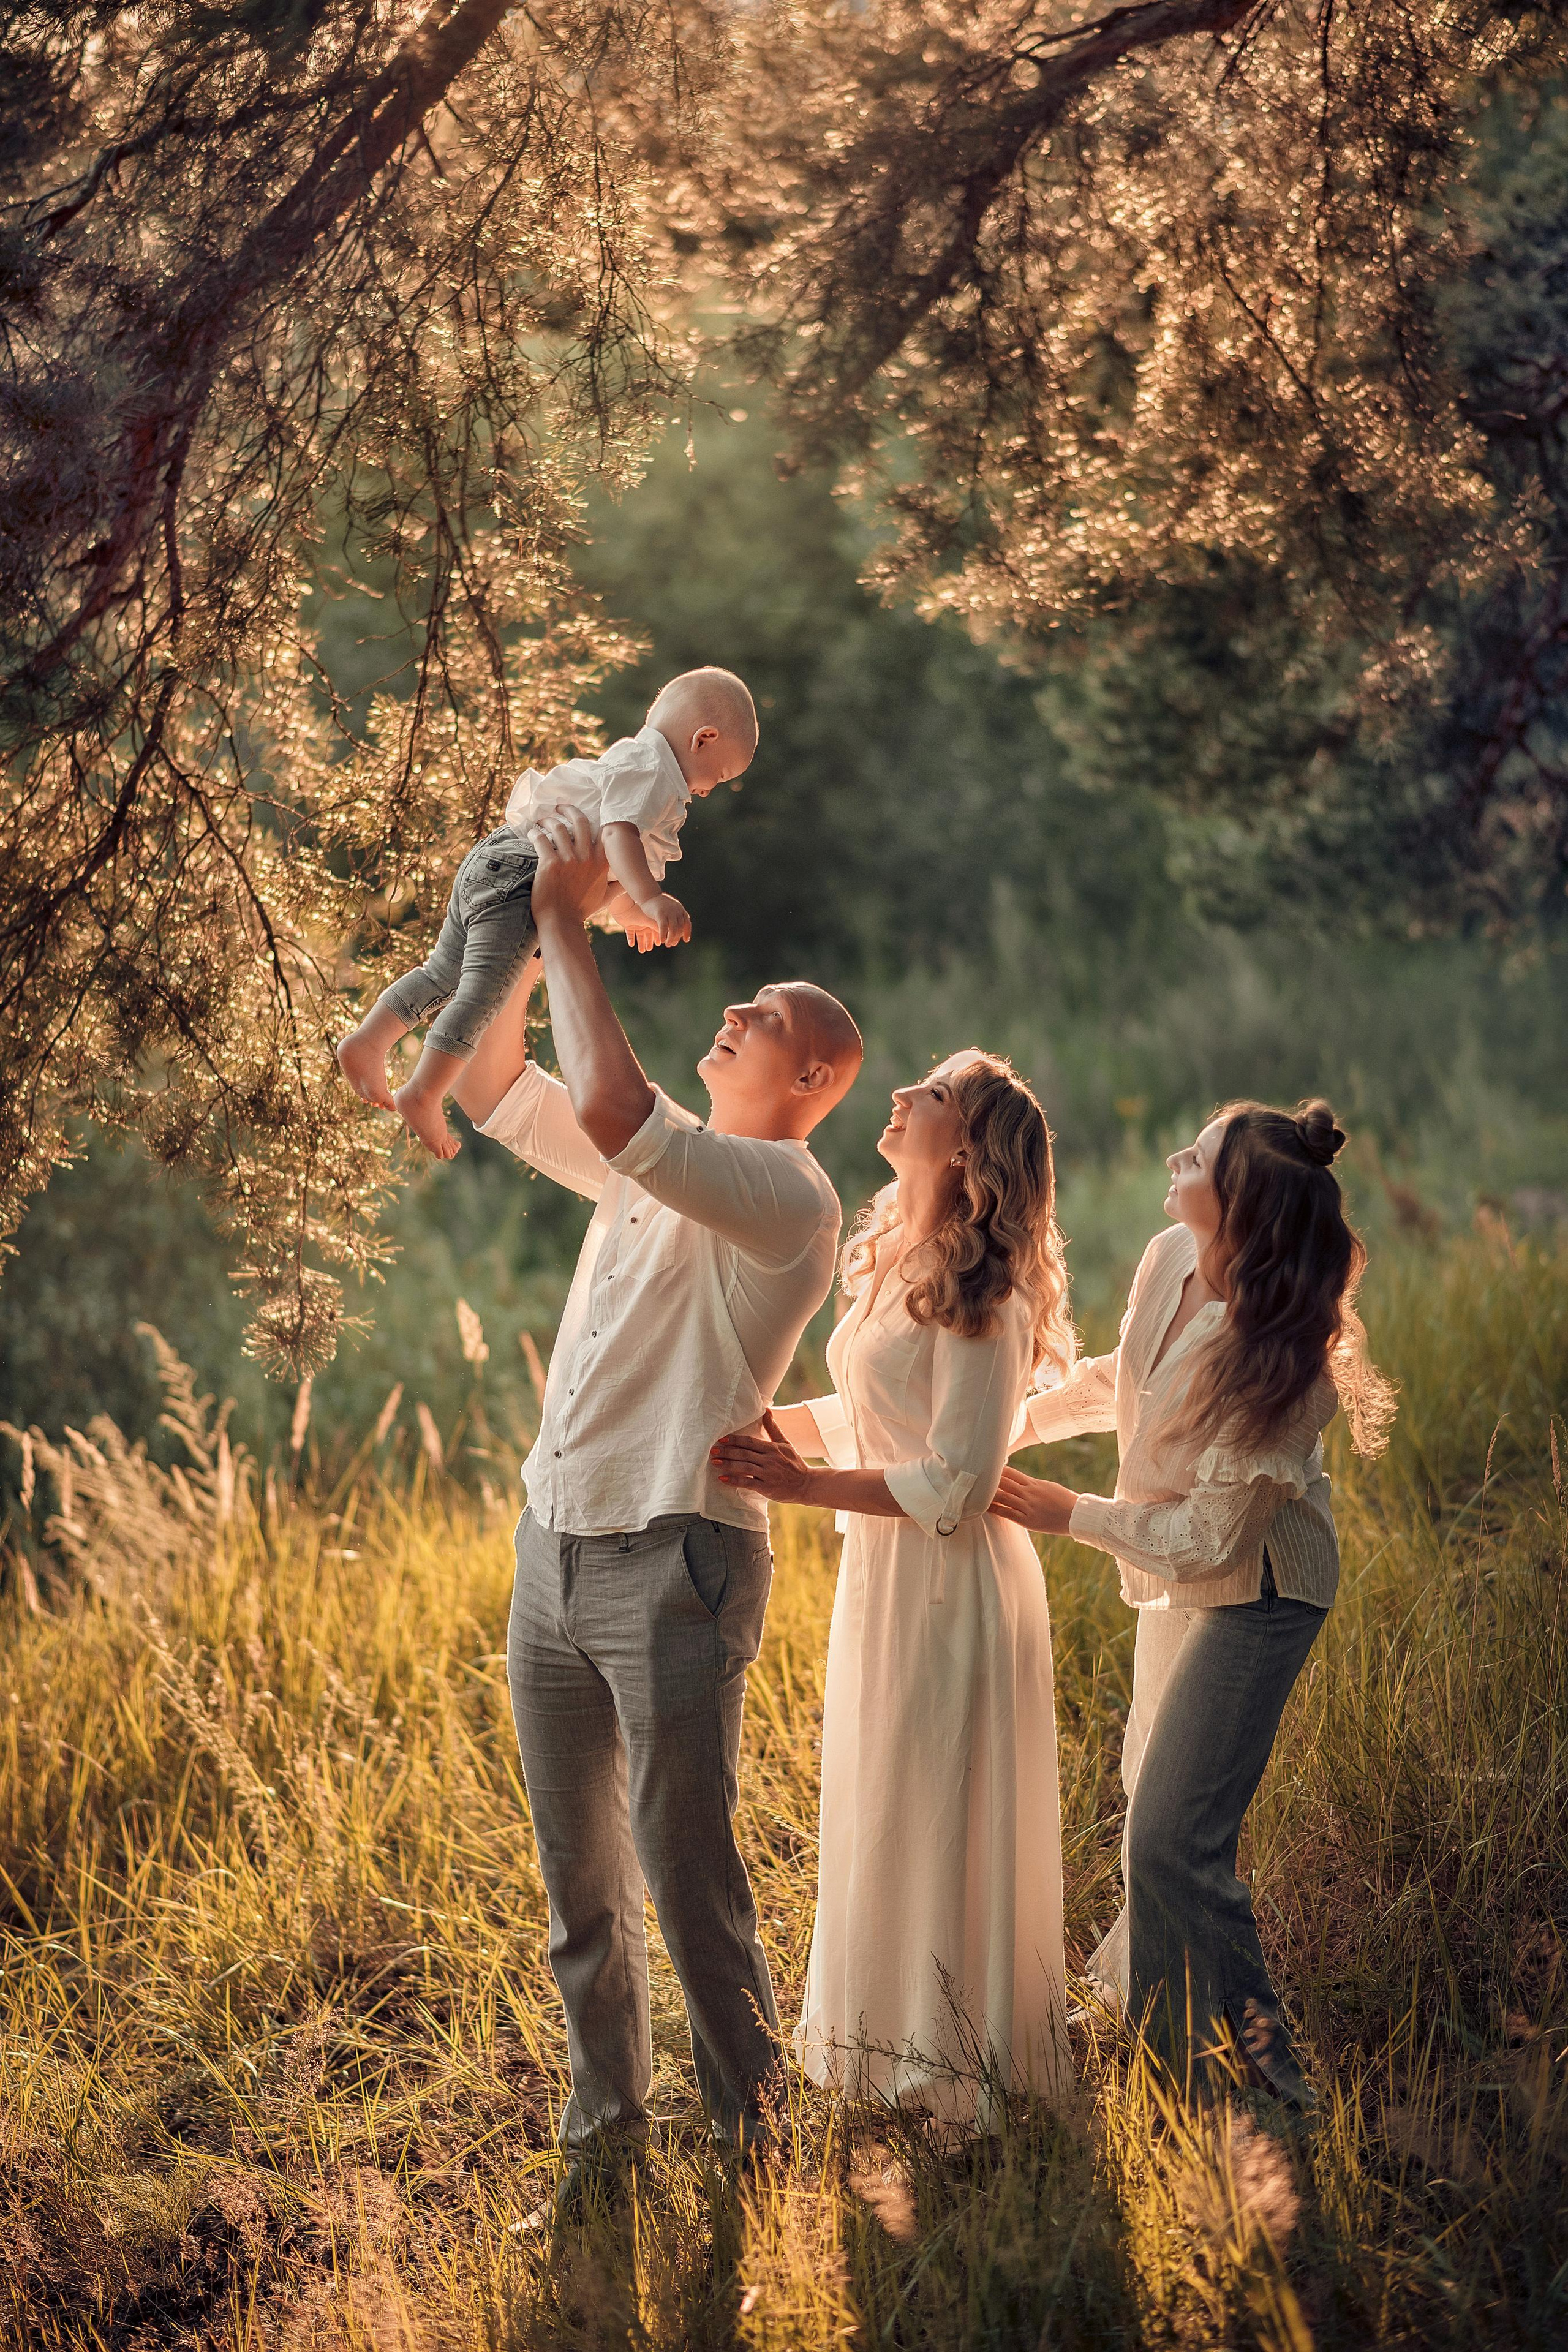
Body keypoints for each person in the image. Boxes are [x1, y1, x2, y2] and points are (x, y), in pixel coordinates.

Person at [447, 805, 862, 2209]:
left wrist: (574, 917)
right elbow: (501, 1081)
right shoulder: (653, 1157)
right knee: (581, 1891)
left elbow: (614, 1109)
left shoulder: (789, 1196)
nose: (733, 1008)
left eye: (762, 1014)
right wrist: (512, 904)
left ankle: (757, 2158)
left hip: (675, 1569)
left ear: (809, 1073)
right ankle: (602, 2139)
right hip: (550, 1553)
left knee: (689, 1887)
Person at [991, 1098, 1396, 2105]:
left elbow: (1217, 1537)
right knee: (1151, 1820)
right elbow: (1115, 1382)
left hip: (1256, 1597)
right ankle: (1176, 2068)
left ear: (1241, 1209)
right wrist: (1002, 1430)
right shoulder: (1172, 1252)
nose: (1178, 1159)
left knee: (1179, 1841)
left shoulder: (1291, 1357)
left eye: (1200, 1158)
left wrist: (1066, 1510)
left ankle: (1274, 2088)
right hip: (1172, 1576)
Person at [712, 1053, 1076, 2127]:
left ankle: (959, 2071)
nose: (905, 1095)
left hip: (952, 1589)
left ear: (964, 1147)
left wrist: (803, 1483)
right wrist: (768, 1428)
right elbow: (874, 1407)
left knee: (941, 1806)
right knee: (886, 1802)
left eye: (933, 1091)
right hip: (883, 1576)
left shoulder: (988, 1288)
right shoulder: (897, 1252)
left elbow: (961, 1481)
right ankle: (886, 2053)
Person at [337, 666, 758, 1158]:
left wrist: (626, 913)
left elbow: (601, 858)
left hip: (497, 856)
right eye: (721, 775)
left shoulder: (632, 761)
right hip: (524, 879)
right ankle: (424, 1092)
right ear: (703, 738)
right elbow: (619, 836)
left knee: (441, 973)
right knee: (482, 995)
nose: (709, 790)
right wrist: (651, 899)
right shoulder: (655, 774)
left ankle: (367, 1041)